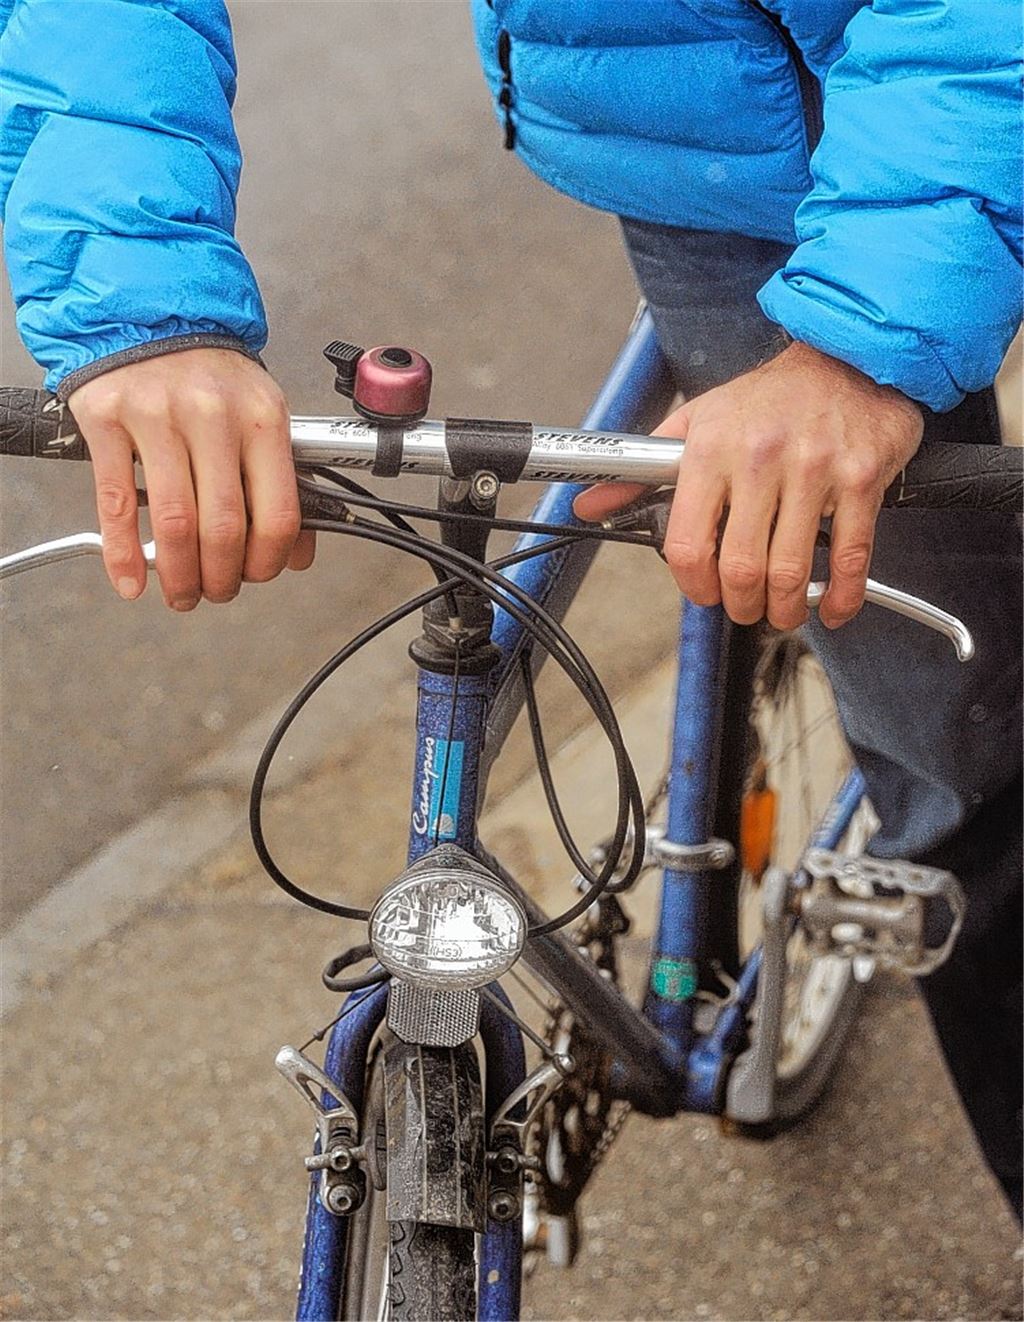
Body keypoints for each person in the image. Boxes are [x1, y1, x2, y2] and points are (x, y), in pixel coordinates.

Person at [1, 0, 1020, 1215]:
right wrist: (139, 308)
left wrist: (862, 344)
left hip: (942, 83)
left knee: (951, 744)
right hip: (714, 137)